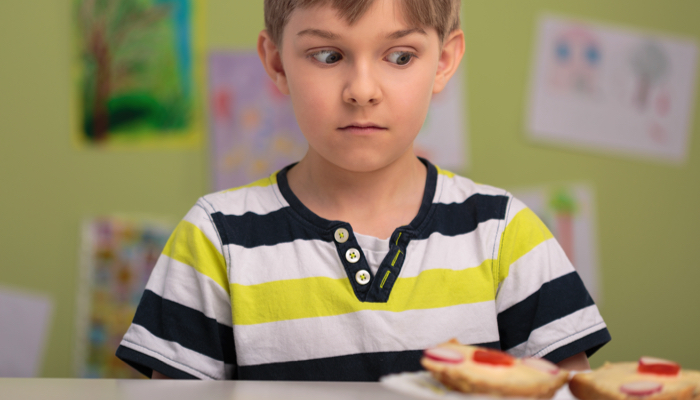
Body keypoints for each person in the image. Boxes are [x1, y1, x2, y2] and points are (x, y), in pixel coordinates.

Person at [116, 0, 610, 381]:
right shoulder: (215, 240)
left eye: (400, 56)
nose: (362, 89)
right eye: (328, 55)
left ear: (444, 61)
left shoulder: (505, 234)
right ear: (277, 62)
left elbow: (566, 389)